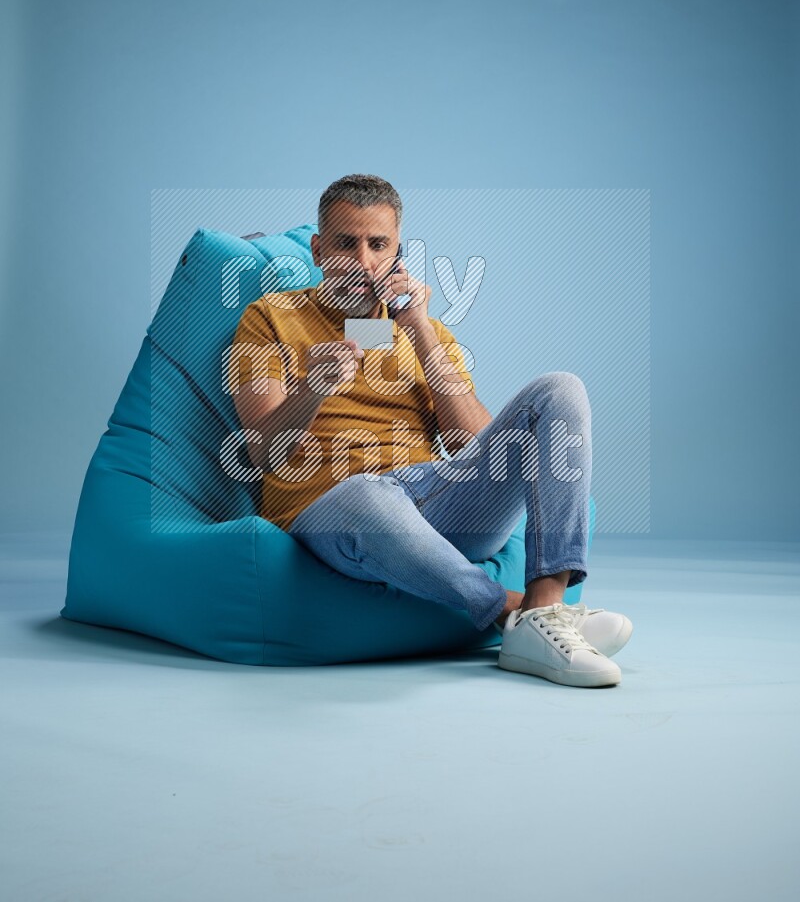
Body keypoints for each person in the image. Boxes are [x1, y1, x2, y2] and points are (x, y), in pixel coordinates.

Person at [228, 174, 633, 688]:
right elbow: (263, 453)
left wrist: (418, 326)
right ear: (318, 248)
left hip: (433, 500)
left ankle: (545, 608)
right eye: (345, 243)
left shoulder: (427, 331)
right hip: (337, 509)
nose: (364, 260)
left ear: (398, 250)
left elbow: (482, 446)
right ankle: (510, 610)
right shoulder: (270, 319)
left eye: (379, 245)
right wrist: (311, 389)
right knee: (367, 495)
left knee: (560, 389)